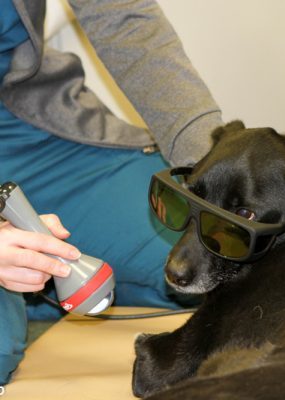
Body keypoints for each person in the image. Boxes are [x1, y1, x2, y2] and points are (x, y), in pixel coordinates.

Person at [0, 0, 223, 386]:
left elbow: (123, 15)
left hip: (30, 135)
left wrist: (212, 167)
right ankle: (26, 296)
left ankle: (36, 291)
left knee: (226, 259)